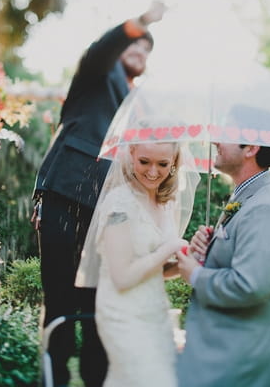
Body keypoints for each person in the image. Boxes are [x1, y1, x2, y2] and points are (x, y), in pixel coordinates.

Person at [31, 0, 167, 387]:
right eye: (134, 46)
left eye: (146, 50)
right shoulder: (95, 76)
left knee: (99, 300)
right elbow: (100, 50)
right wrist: (139, 22)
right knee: (59, 297)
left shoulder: (141, 103)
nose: (140, 52)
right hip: (68, 192)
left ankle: (96, 381)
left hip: (113, 207)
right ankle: (53, 379)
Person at [176, 105, 270, 386]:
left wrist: (195, 274)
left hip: (244, 364)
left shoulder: (265, 208)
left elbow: (249, 285)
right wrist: (207, 253)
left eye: (226, 132)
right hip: (226, 357)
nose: (215, 140)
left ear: (251, 147)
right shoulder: (247, 197)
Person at [75, 141, 198, 387]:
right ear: (131, 154)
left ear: (174, 160)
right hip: (123, 313)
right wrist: (168, 249)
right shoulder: (119, 204)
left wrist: (188, 259)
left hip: (156, 311)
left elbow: (156, 272)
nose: (153, 172)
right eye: (144, 162)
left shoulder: (166, 202)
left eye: (163, 164)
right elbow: (122, 277)